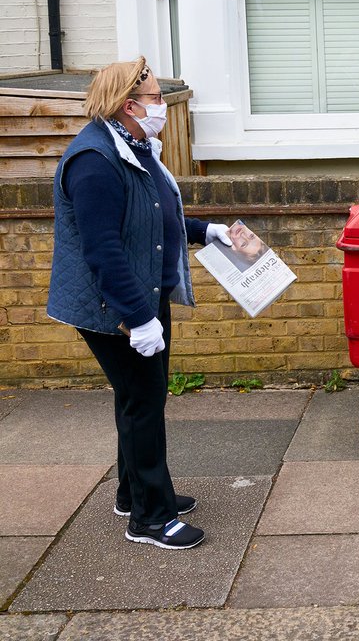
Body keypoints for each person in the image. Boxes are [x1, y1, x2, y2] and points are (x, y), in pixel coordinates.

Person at [47, 57, 234, 550]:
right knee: (143, 403)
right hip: (117, 308)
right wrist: (139, 318)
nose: (163, 107)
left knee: (136, 398)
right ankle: (151, 519)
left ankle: (134, 493)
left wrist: (205, 231)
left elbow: (154, 216)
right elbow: (103, 249)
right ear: (129, 105)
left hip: (141, 294)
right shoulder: (94, 161)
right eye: (156, 99)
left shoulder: (133, 146)